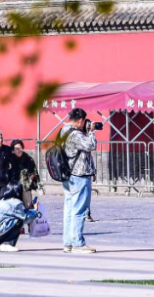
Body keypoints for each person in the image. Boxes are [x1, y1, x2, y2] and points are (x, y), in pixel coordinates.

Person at [60, 108, 97, 254]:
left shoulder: (63, 131)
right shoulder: (75, 134)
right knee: (79, 210)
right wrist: (91, 132)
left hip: (68, 176)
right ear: (80, 120)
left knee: (69, 210)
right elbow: (91, 145)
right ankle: (77, 243)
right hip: (79, 175)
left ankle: (68, 243)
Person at [0, 183, 39, 252]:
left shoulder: (2, 200)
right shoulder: (15, 202)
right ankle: (8, 244)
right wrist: (35, 210)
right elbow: (25, 218)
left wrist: (27, 209)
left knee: (7, 223)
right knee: (19, 221)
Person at [8, 139, 40, 208]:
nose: (19, 150)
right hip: (13, 188)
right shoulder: (10, 159)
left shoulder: (28, 159)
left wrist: (32, 182)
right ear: (13, 150)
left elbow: (34, 172)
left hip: (25, 188)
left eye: (21, 148)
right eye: (17, 149)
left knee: (28, 207)